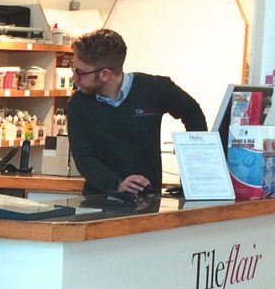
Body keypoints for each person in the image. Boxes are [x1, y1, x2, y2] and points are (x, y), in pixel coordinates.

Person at [65, 27, 207, 196]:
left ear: (105, 74)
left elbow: (193, 113)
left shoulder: (155, 88)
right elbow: (84, 158)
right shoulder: (77, 104)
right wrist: (116, 184)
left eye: (79, 72)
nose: (74, 78)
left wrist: (195, 168)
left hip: (148, 201)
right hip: (98, 202)